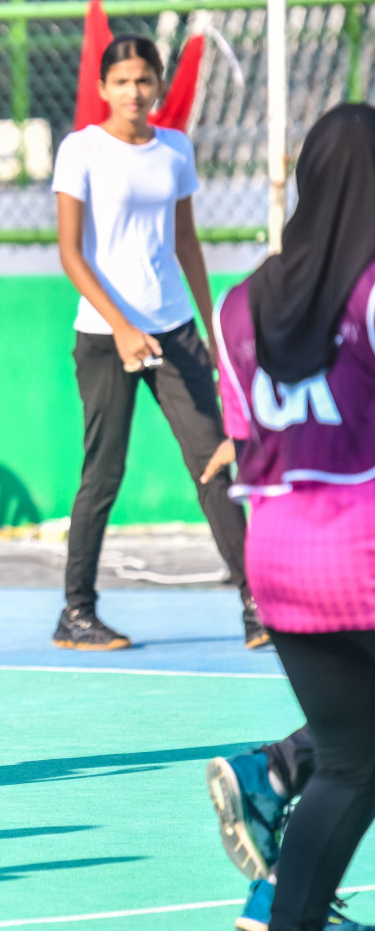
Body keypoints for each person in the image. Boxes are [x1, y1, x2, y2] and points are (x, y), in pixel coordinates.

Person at [210, 103, 375, 931]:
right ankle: (274, 776)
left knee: (351, 759)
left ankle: (282, 905)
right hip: (364, 552)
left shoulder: (240, 305)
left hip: (277, 565)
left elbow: (243, 444)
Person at [52, 34, 259, 651]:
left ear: (158, 86)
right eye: (122, 81)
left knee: (215, 462)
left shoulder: (175, 150)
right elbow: (71, 252)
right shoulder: (81, 149)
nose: (134, 92)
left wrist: (213, 332)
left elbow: (187, 245)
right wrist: (120, 327)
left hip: (175, 331)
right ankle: (77, 613)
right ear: (103, 88)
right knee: (103, 473)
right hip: (104, 336)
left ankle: (258, 605)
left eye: (144, 80)